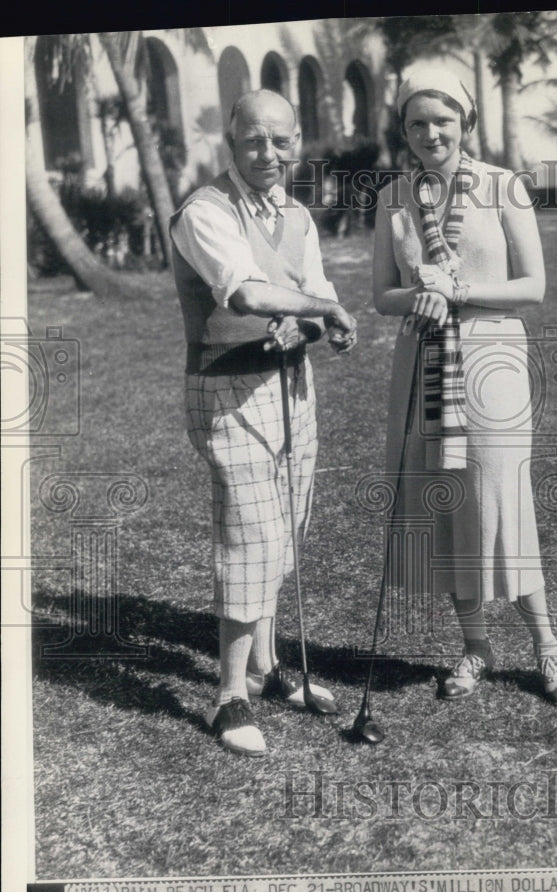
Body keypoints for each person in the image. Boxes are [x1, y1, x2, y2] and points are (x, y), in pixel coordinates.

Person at [372, 68, 557, 704]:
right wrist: (421, 293)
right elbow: (381, 295)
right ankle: (474, 646)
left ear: (466, 123)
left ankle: (546, 645)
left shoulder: (501, 186)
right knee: (449, 499)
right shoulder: (393, 197)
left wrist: (456, 290)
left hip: (491, 360)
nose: (431, 133)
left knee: (501, 496)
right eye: (417, 124)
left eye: (443, 121)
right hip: (424, 359)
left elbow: (533, 286)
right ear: (403, 130)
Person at [171, 90, 357, 755]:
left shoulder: (298, 216)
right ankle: (229, 696)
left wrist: (310, 323)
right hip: (226, 389)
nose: (269, 154)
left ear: (298, 140)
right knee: (250, 535)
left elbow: (317, 297)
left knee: (286, 528)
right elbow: (246, 293)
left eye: (281, 140)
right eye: (254, 141)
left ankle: (270, 667)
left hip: (290, 386)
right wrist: (314, 311)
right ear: (232, 142)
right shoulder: (204, 211)